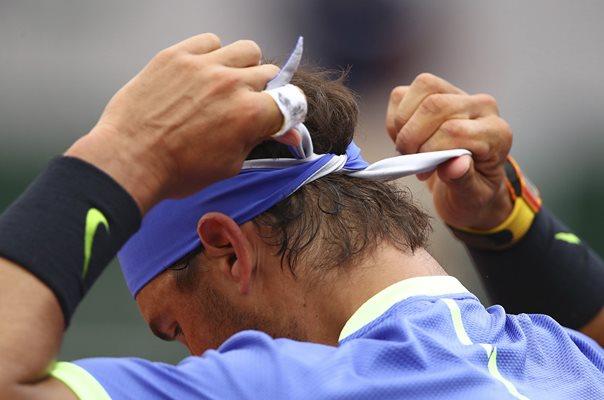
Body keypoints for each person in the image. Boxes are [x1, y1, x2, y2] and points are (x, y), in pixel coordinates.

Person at [0, 33, 603, 399]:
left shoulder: (280, 386)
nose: (195, 361)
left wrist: (121, 153)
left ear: (230, 250)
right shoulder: (575, 359)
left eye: (176, 330)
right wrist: (506, 223)